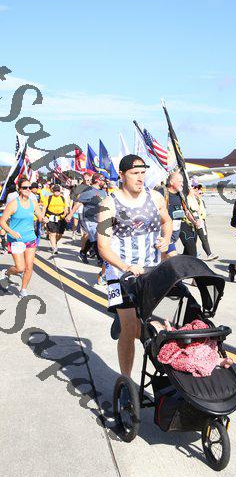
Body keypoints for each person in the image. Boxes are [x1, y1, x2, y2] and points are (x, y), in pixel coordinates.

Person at [97, 154, 172, 378]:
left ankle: (121, 320)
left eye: (143, 173)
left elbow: (167, 221)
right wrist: (125, 266)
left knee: (152, 326)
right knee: (130, 329)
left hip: (150, 270)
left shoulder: (156, 197)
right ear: (122, 175)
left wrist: (167, 239)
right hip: (118, 274)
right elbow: (102, 246)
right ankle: (126, 380)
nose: (140, 178)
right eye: (135, 173)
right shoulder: (108, 204)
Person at [0, 177, 44, 297]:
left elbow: (40, 218)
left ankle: (23, 290)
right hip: (16, 240)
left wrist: (44, 219)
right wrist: (11, 232)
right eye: (25, 187)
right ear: (19, 189)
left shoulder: (33, 203)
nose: (28, 189)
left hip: (30, 238)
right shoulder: (13, 204)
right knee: (20, 268)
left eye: (30, 187)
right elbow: (2, 221)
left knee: (29, 267)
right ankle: (6, 272)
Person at [66, 173, 107, 265]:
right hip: (89, 219)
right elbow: (78, 203)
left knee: (93, 238)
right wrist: (70, 214)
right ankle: (100, 260)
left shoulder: (103, 192)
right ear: (97, 180)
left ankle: (83, 252)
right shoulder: (88, 191)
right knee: (96, 238)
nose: (104, 182)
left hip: (100, 219)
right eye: (103, 180)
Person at [41, 183, 69, 255]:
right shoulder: (49, 198)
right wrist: (43, 217)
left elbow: (66, 208)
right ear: (53, 191)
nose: (57, 192)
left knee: (60, 234)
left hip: (60, 218)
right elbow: (44, 208)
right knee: (52, 233)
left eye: (58, 191)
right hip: (50, 217)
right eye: (55, 191)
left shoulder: (62, 198)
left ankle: (54, 242)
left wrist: (65, 214)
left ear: (60, 191)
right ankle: (54, 248)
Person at [193, 184, 218, 261]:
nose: (200, 194)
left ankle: (206, 253)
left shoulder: (201, 201)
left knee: (203, 238)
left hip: (202, 221)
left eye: (201, 193)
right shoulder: (192, 201)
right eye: (199, 192)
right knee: (200, 238)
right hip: (196, 221)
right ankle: (208, 254)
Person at [165, 171, 186, 257]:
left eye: (182, 182)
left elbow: (186, 210)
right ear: (171, 182)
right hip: (165, 234)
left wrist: (195, 221)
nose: (182, 184)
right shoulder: (162, 193)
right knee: (173, 256)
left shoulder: (181, 195)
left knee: (163, 258)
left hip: (175, 233)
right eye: (179, 181)